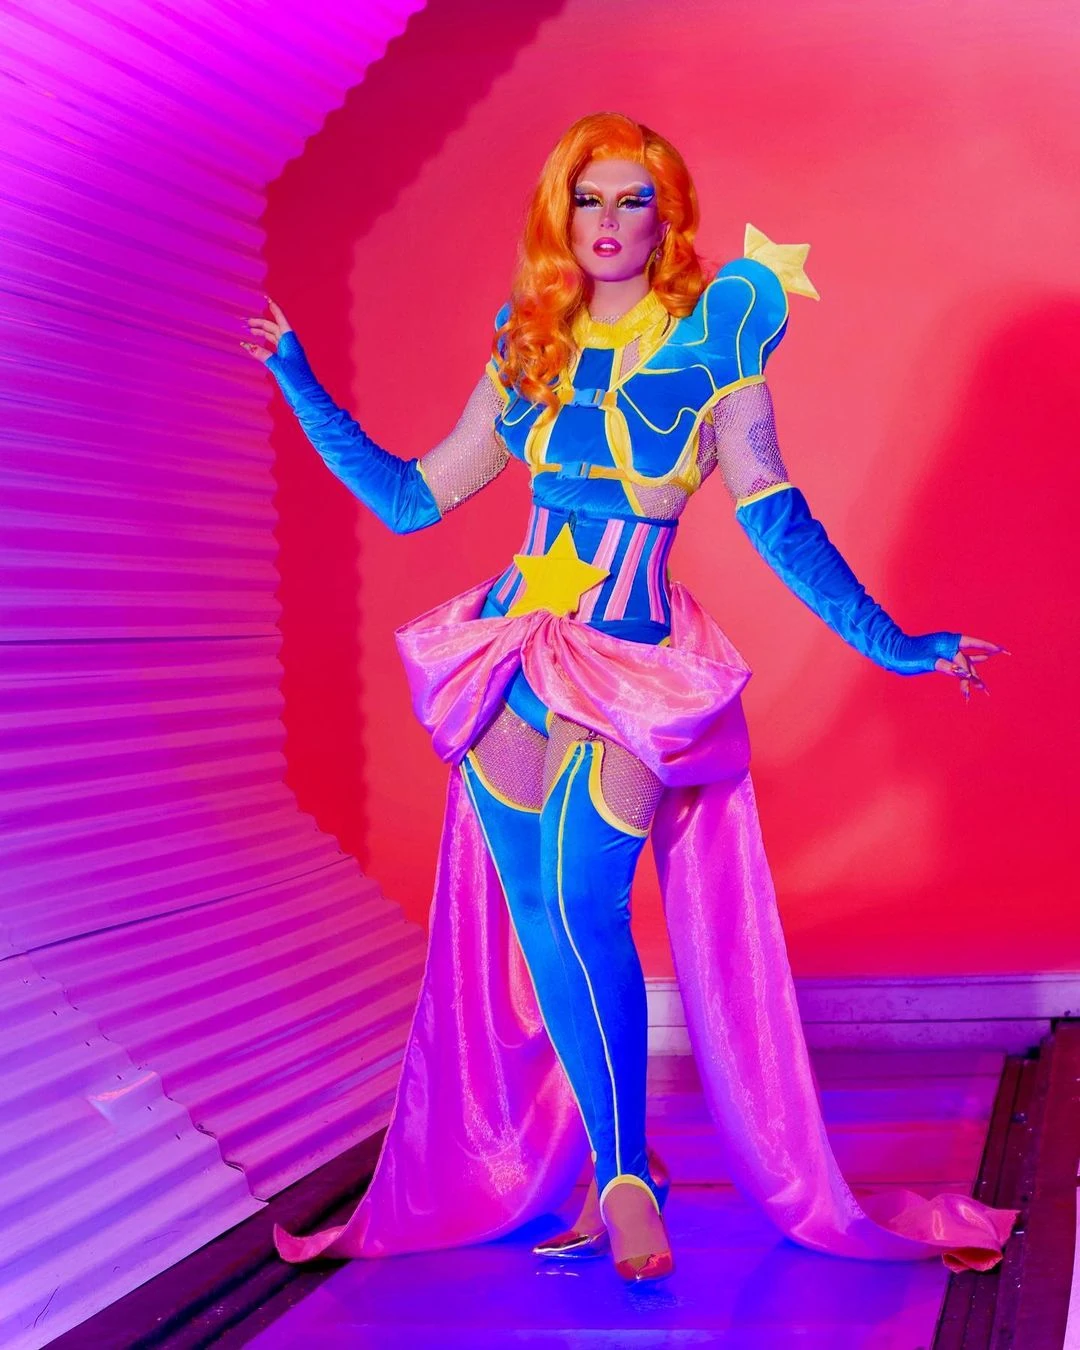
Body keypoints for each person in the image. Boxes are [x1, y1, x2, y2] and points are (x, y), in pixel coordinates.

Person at [242, 112, 1016, 1285]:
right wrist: (299, 382)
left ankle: (620, 1183)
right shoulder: (530, 349)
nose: (606, 221)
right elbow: (409, 499)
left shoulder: (716, 351)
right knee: (540, 914)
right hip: (515, 657)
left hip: (632, 667)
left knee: (580, 897)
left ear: (668, 217)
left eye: (631, 199)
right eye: (588, 198)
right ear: (563, 214)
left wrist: (894, 642)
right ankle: (623, 1167)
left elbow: (778, 521)